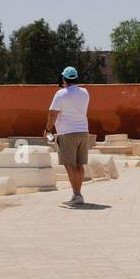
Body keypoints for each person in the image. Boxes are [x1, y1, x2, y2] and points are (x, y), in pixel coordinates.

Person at [44, 66, 92, 206]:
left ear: (64, 78)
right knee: (79, 165)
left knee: (70, 165)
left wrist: (48, 130)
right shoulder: (85, 92)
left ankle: (77, 195)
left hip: (67, 133)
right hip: (83, 131)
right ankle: (78, 194)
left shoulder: (61, 94)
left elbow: (53, 114)